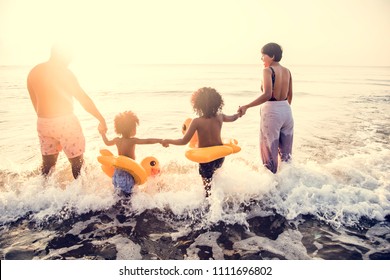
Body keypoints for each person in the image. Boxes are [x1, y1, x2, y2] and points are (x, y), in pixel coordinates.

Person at [27, 44, 107, 179]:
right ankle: (80, 196)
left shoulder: (34, 72)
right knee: (77, 164)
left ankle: (41, 195)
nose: (70, 60)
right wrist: (101, 119)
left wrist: (46, 119)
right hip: (65, 122)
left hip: (43, 122)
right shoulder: (65, 72)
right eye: (69, 56)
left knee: (47, 166)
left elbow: (35, 102)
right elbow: (83, 99)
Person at [162, 87, 240, 197]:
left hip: (206, 159)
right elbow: (233, 118)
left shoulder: (196, 122)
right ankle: (218, 196)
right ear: (217, 102)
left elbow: (184, 141)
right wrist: (239, 113)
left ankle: (208, 202)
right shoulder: (220, 117)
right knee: (215, 175)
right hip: (219, 156)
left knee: (207, 188)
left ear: (197, 105)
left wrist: (168, 141)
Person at [238, 42, 293, 174]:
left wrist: (247, 106)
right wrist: (282, 109)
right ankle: (288, 185)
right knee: (286, 156)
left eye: (263, 56)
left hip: (272, 111)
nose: (261, 59)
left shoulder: (267, 71)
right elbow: (290, 95)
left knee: (269, 154)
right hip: (287, 111)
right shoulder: (287, 71)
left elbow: (267, 94)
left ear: (272, 56)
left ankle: (270, 191)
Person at [100, 110, 163, 195]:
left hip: (117, 173)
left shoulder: (117, 140)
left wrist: (102, 133)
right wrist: (160, 140)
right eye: (135, 127)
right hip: (128, 174)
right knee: (129, 197)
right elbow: (147, 141)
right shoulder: (132, 141)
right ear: (132, 129)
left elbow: (107, 142)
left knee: (118, 195)